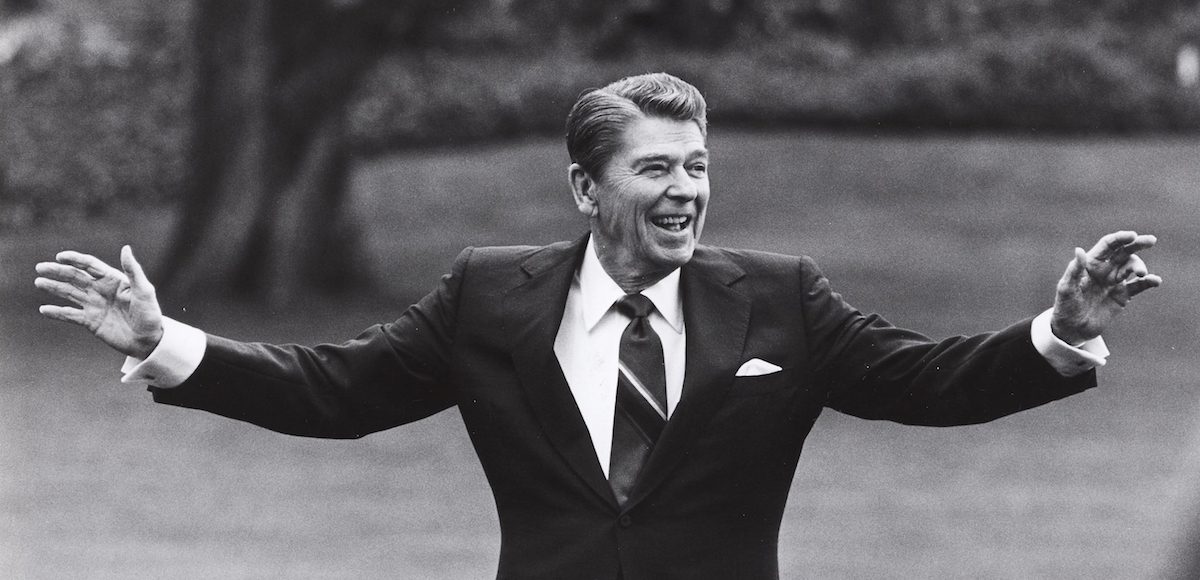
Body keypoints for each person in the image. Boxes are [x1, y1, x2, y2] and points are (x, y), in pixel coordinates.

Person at [35, 73, 1161, 580]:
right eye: (656, 167)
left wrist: (1057, 334)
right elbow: (338, 390)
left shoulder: (781, 297)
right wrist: (161, 338)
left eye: (699, 166)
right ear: (586, 188)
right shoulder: (487, 295)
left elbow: (929, 380)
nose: (687, 189)